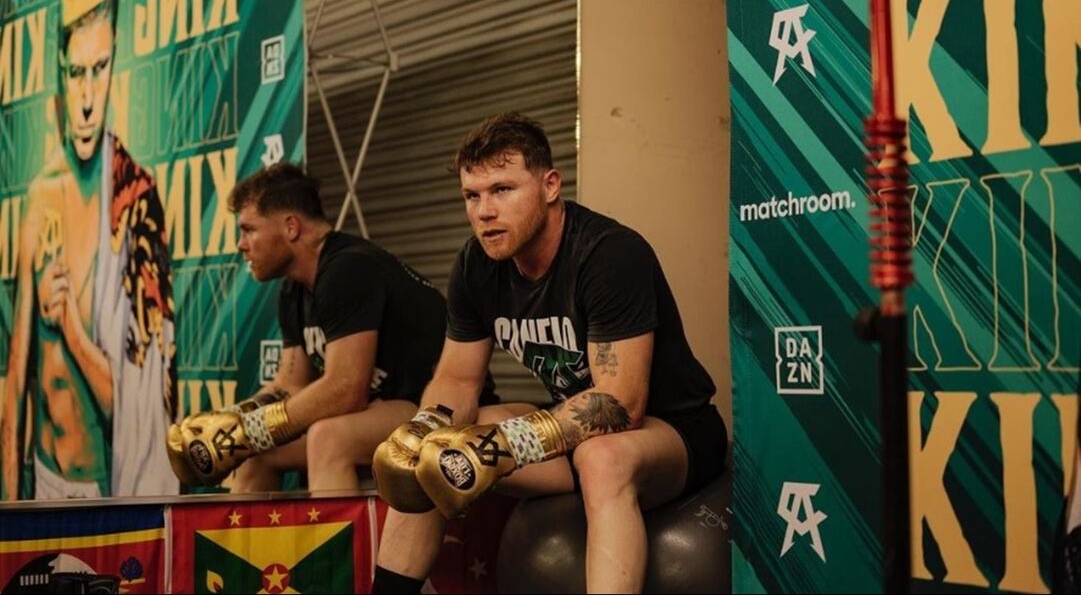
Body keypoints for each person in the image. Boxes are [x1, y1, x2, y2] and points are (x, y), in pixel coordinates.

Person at [371, 112, 728, 593]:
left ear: (550, 186)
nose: (484, 211)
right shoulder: (476, 266)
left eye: (502, 189)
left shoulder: (608, 254)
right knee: (437, 449)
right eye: (472, 196)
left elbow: (620, 403)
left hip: (670, 431)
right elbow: (457, 379)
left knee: (602, 458)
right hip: (571, 435)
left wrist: (504, 445)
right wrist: (425, 427)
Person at [166, 163, 493, 492]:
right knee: (255, 452)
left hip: (428, 409)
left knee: (328, 437)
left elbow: (345, 389)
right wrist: (231, 424)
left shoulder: (347, 268)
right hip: (379, 411)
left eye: (249, 229)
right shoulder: (294, 290)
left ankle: (335, 531)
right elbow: (290, 384)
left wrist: (251, 430)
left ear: (291, 227)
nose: (241, 244)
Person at [1, 0, 177, 500]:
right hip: (45, 479)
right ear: (60, 72)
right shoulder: (39, 197)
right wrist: (9, 508)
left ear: (114, 66)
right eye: (75, 72)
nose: (85, 97)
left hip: (108, 491)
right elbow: (16, 380)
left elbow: (137, 412)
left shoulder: (135, 205)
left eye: (98, 70)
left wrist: (73, 330)